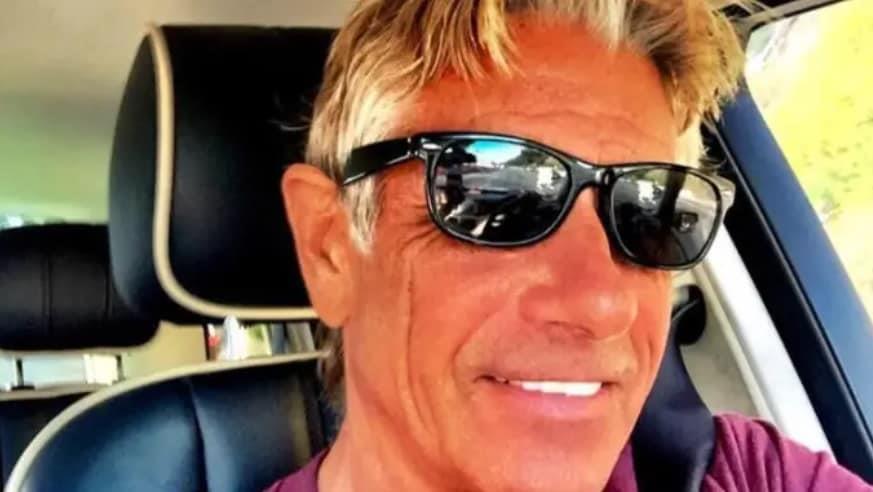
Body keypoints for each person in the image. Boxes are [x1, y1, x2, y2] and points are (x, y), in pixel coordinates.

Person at [269, 0, 873, 490]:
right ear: (331, 248)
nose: (603, 305)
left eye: (648, 212)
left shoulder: (749, 475)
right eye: (497, 196)